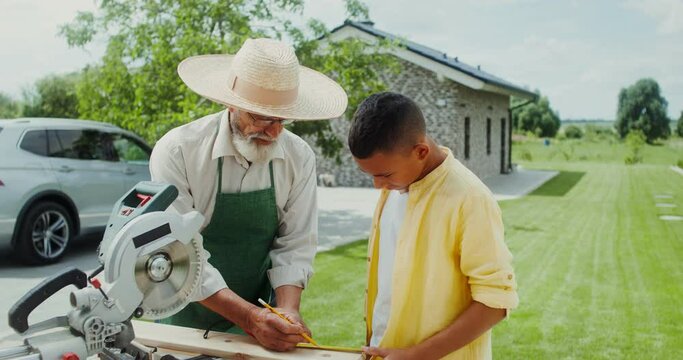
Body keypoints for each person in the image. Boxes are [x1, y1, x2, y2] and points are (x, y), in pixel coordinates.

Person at [149, 38, 347, 351]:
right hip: (182, 322)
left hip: (257, 327)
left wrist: (287, 311)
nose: (275, 132)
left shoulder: (299, 157)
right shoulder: (178, 152)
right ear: (231, 103)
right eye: (262, 117)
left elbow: (295, 243)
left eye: (282, 118)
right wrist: (249, 317)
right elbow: (180, 253)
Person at [347, 92, 518, 359]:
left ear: (421, 152)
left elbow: (495, 303)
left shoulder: (471, 198)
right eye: (370, 174)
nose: (377, 185)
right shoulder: (395, 185)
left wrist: (416, 355)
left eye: (384, 175)